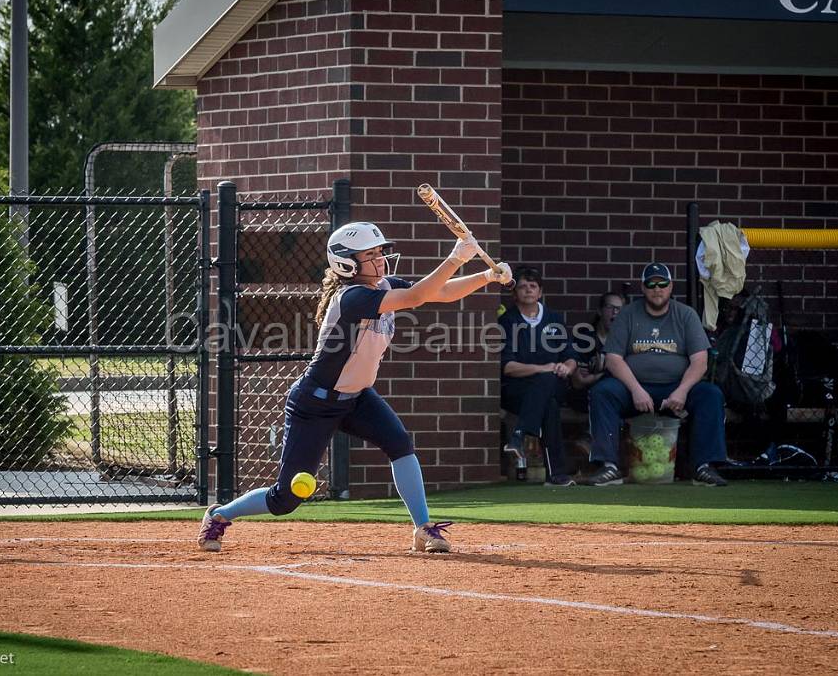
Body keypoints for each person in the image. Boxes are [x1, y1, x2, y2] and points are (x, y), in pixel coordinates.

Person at [197, 221, 513, 553]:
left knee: (401, 444)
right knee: (286, 497)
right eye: (370, 255)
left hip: (358, 398)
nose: (380, 260)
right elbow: (418, 296)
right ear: (347, 263)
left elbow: (441, 292)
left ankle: (424, 528)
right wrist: (455, 258)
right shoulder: (352, 297)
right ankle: (219, 514)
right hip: (315, 404)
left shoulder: (381, 287)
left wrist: (486, 277)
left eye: (379, 253)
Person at [585, 262, 729, 486]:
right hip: (634, 387)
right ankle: (608, 466)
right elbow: (613, 359)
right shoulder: (627, 315)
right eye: (651, 284)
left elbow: (700, 362)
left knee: (710, 394)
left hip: (676, 387)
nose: (657, 288)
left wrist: (681, 392)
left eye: (662, 283)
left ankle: (704, 467)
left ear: (670, 287)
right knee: (603, 392)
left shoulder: (686, 315)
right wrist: (636, 390)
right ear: (643, 288)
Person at [498, 268, 579, 486]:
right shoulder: (507, 321)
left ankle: (520, 434)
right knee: (549, 404)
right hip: (517, 391)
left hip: (554, 385)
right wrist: (543, 368)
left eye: (532, 286)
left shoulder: (554, 319)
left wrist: (567, 368)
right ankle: (557, 475)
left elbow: (571, 358)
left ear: (540, 292)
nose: (528, 290)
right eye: (522, 286)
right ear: (515, 294)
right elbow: (508, 367)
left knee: (549, 385)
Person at [571, 291, 626, 398]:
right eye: (610, 307)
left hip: (615, 394)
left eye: (619, 309)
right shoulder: (585, 337)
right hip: (585, 396)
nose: (615, 312)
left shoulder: (625, 339)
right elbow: (578, 382)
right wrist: (613, 372)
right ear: (599, 311)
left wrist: (597, 375)